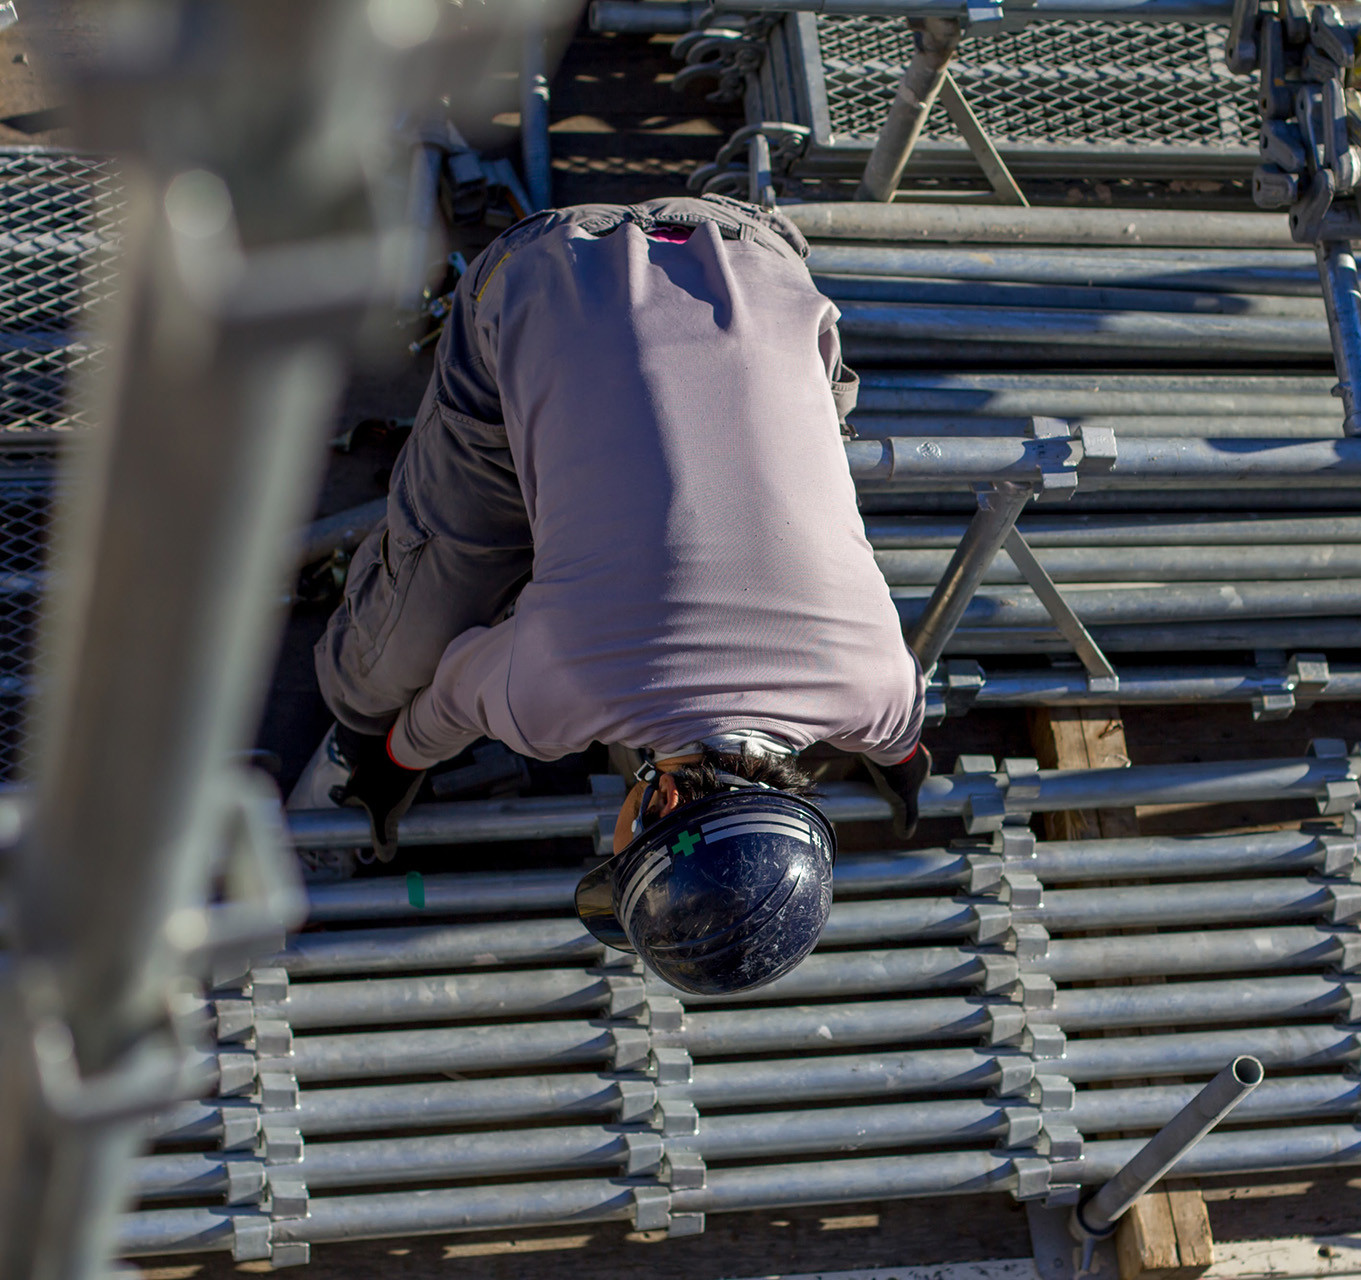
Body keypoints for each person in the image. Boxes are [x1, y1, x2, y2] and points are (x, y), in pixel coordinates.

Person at [293, 195, 932, 993]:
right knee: (384, 665)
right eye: (624, 841)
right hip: (548, 269)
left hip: (758, 256)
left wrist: (906, 773)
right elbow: (443, 706)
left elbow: (903, 733)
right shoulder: (558, 698)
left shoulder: (873, 686)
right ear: (661, 798)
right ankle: (339, 755)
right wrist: (386, 765)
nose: (613, 836)